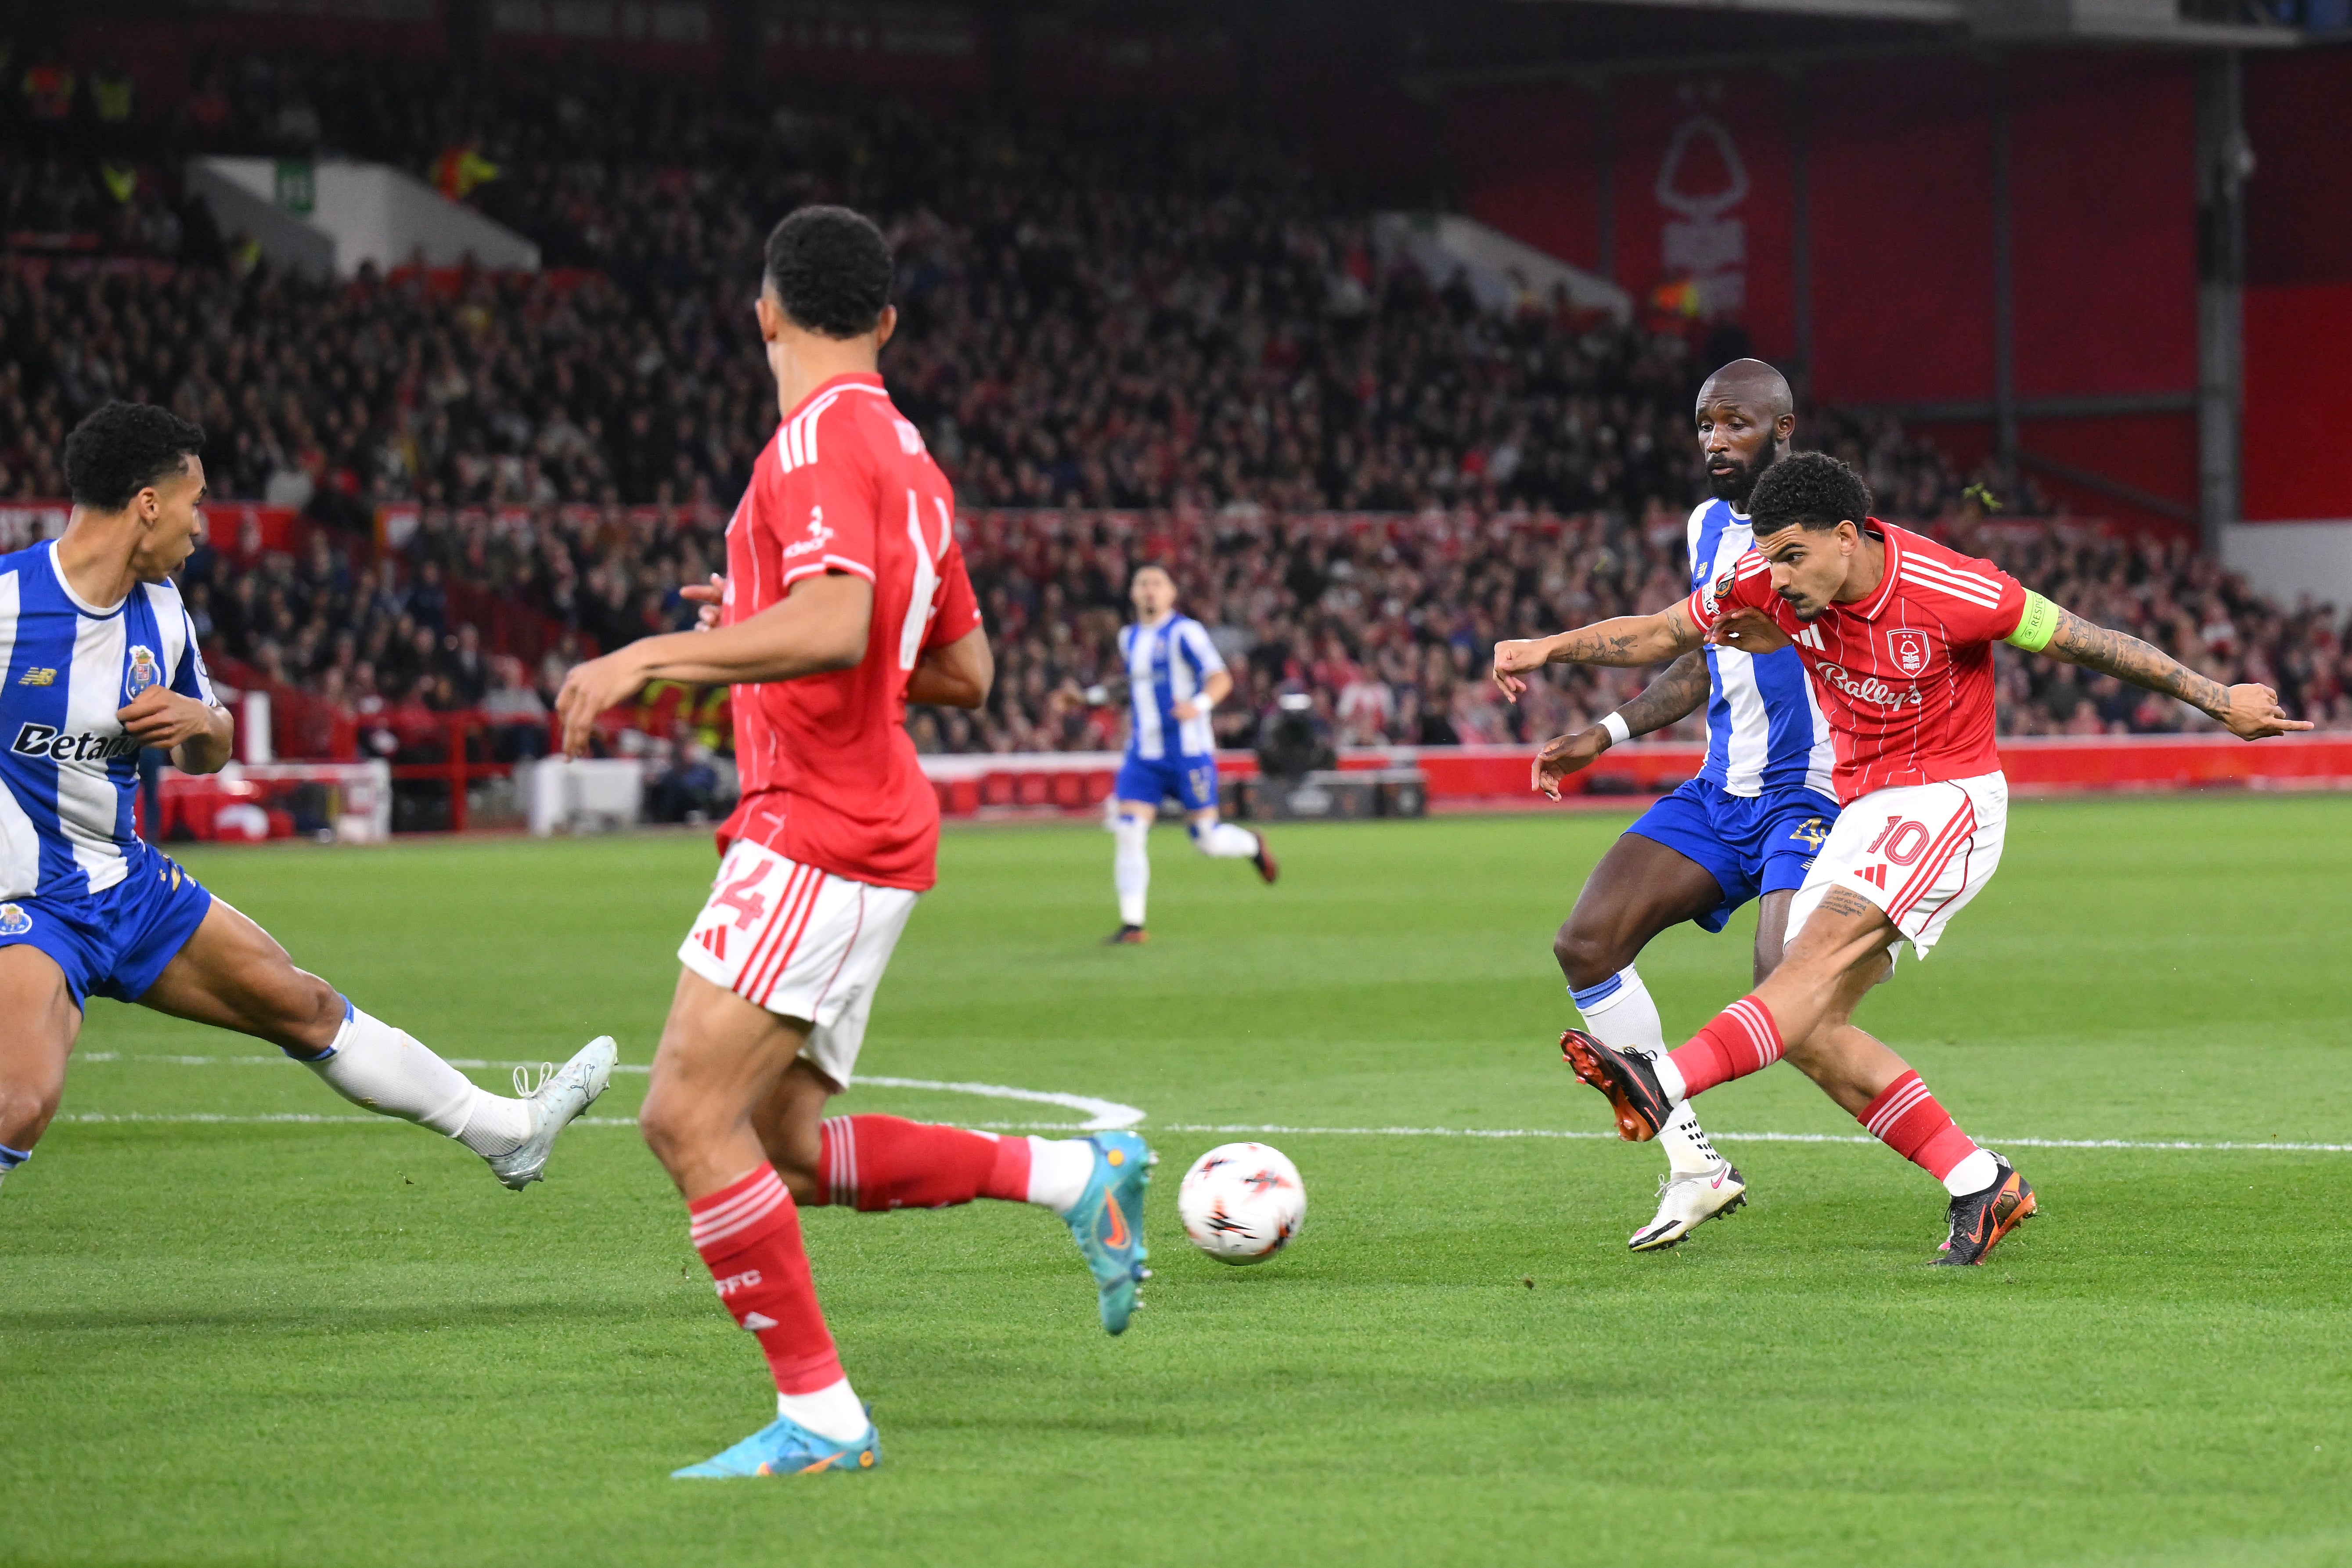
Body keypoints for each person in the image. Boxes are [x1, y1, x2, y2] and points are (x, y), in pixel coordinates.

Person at [554, 206, 1153, 1481]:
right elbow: (965, 666)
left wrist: (655, 650)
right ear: (886, 321)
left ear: (763, 310)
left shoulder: (816, 438)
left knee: (681, 1114)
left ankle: (821, 1412)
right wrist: (767, 616)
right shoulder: (910, 455)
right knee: (778, 1137)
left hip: (816, 819)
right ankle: (1073, 1173)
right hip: (863, 817)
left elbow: (837, 625)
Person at [1493, 451, 2308, 1264]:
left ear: (1846, 537)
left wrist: (2218, 699)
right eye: (1767, 557)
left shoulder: (1956, 590)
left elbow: (2089, 643)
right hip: (1863, 805)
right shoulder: (1766, 577)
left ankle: (1659, 1084)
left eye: (1791, 556)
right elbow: (1664, 632)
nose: (1773, 578)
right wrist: (1546, 648)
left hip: (1948, 798)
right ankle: (1978, 1180)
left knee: (1801, 967)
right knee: (1806, 1024)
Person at [0, 402, 615, 1202]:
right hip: (33, 904)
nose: (204, 526)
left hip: (131, 888)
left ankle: (513, 1134)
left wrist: (202, 720)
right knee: (19, 1104)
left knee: (306, 1004)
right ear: (148, 503)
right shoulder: (12, 606)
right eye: (196, 501)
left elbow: (206, 748)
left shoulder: (163, 614)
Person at [1516, 359, 1837, 1252]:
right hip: (1717, 792)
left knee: (1786, 989)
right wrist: (1607, 731)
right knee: (1585, 941)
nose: (1712, 441)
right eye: (1702, 425)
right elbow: (1699, 655)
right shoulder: (1704, 527)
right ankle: (1693, 1166)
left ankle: (1961, 1166)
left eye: (1732, 423)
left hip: (1808, 792)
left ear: (1781, 427)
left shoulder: (1828, 531)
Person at [1104, 563, 1276, 945]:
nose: (1150, 590)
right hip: (1143, 754)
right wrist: (1088, 698)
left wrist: (1197, 705)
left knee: (1207, 840)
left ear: (1171, 594)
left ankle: (1251, 845)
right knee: (1129, 831)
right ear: (1133, 593)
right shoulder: (1127, 638)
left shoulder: (1185, 632)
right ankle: (1133, 924)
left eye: (1157, 583)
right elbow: (1131, 686)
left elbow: (1221, 678)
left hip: (1188, 752)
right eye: (1143, 583)